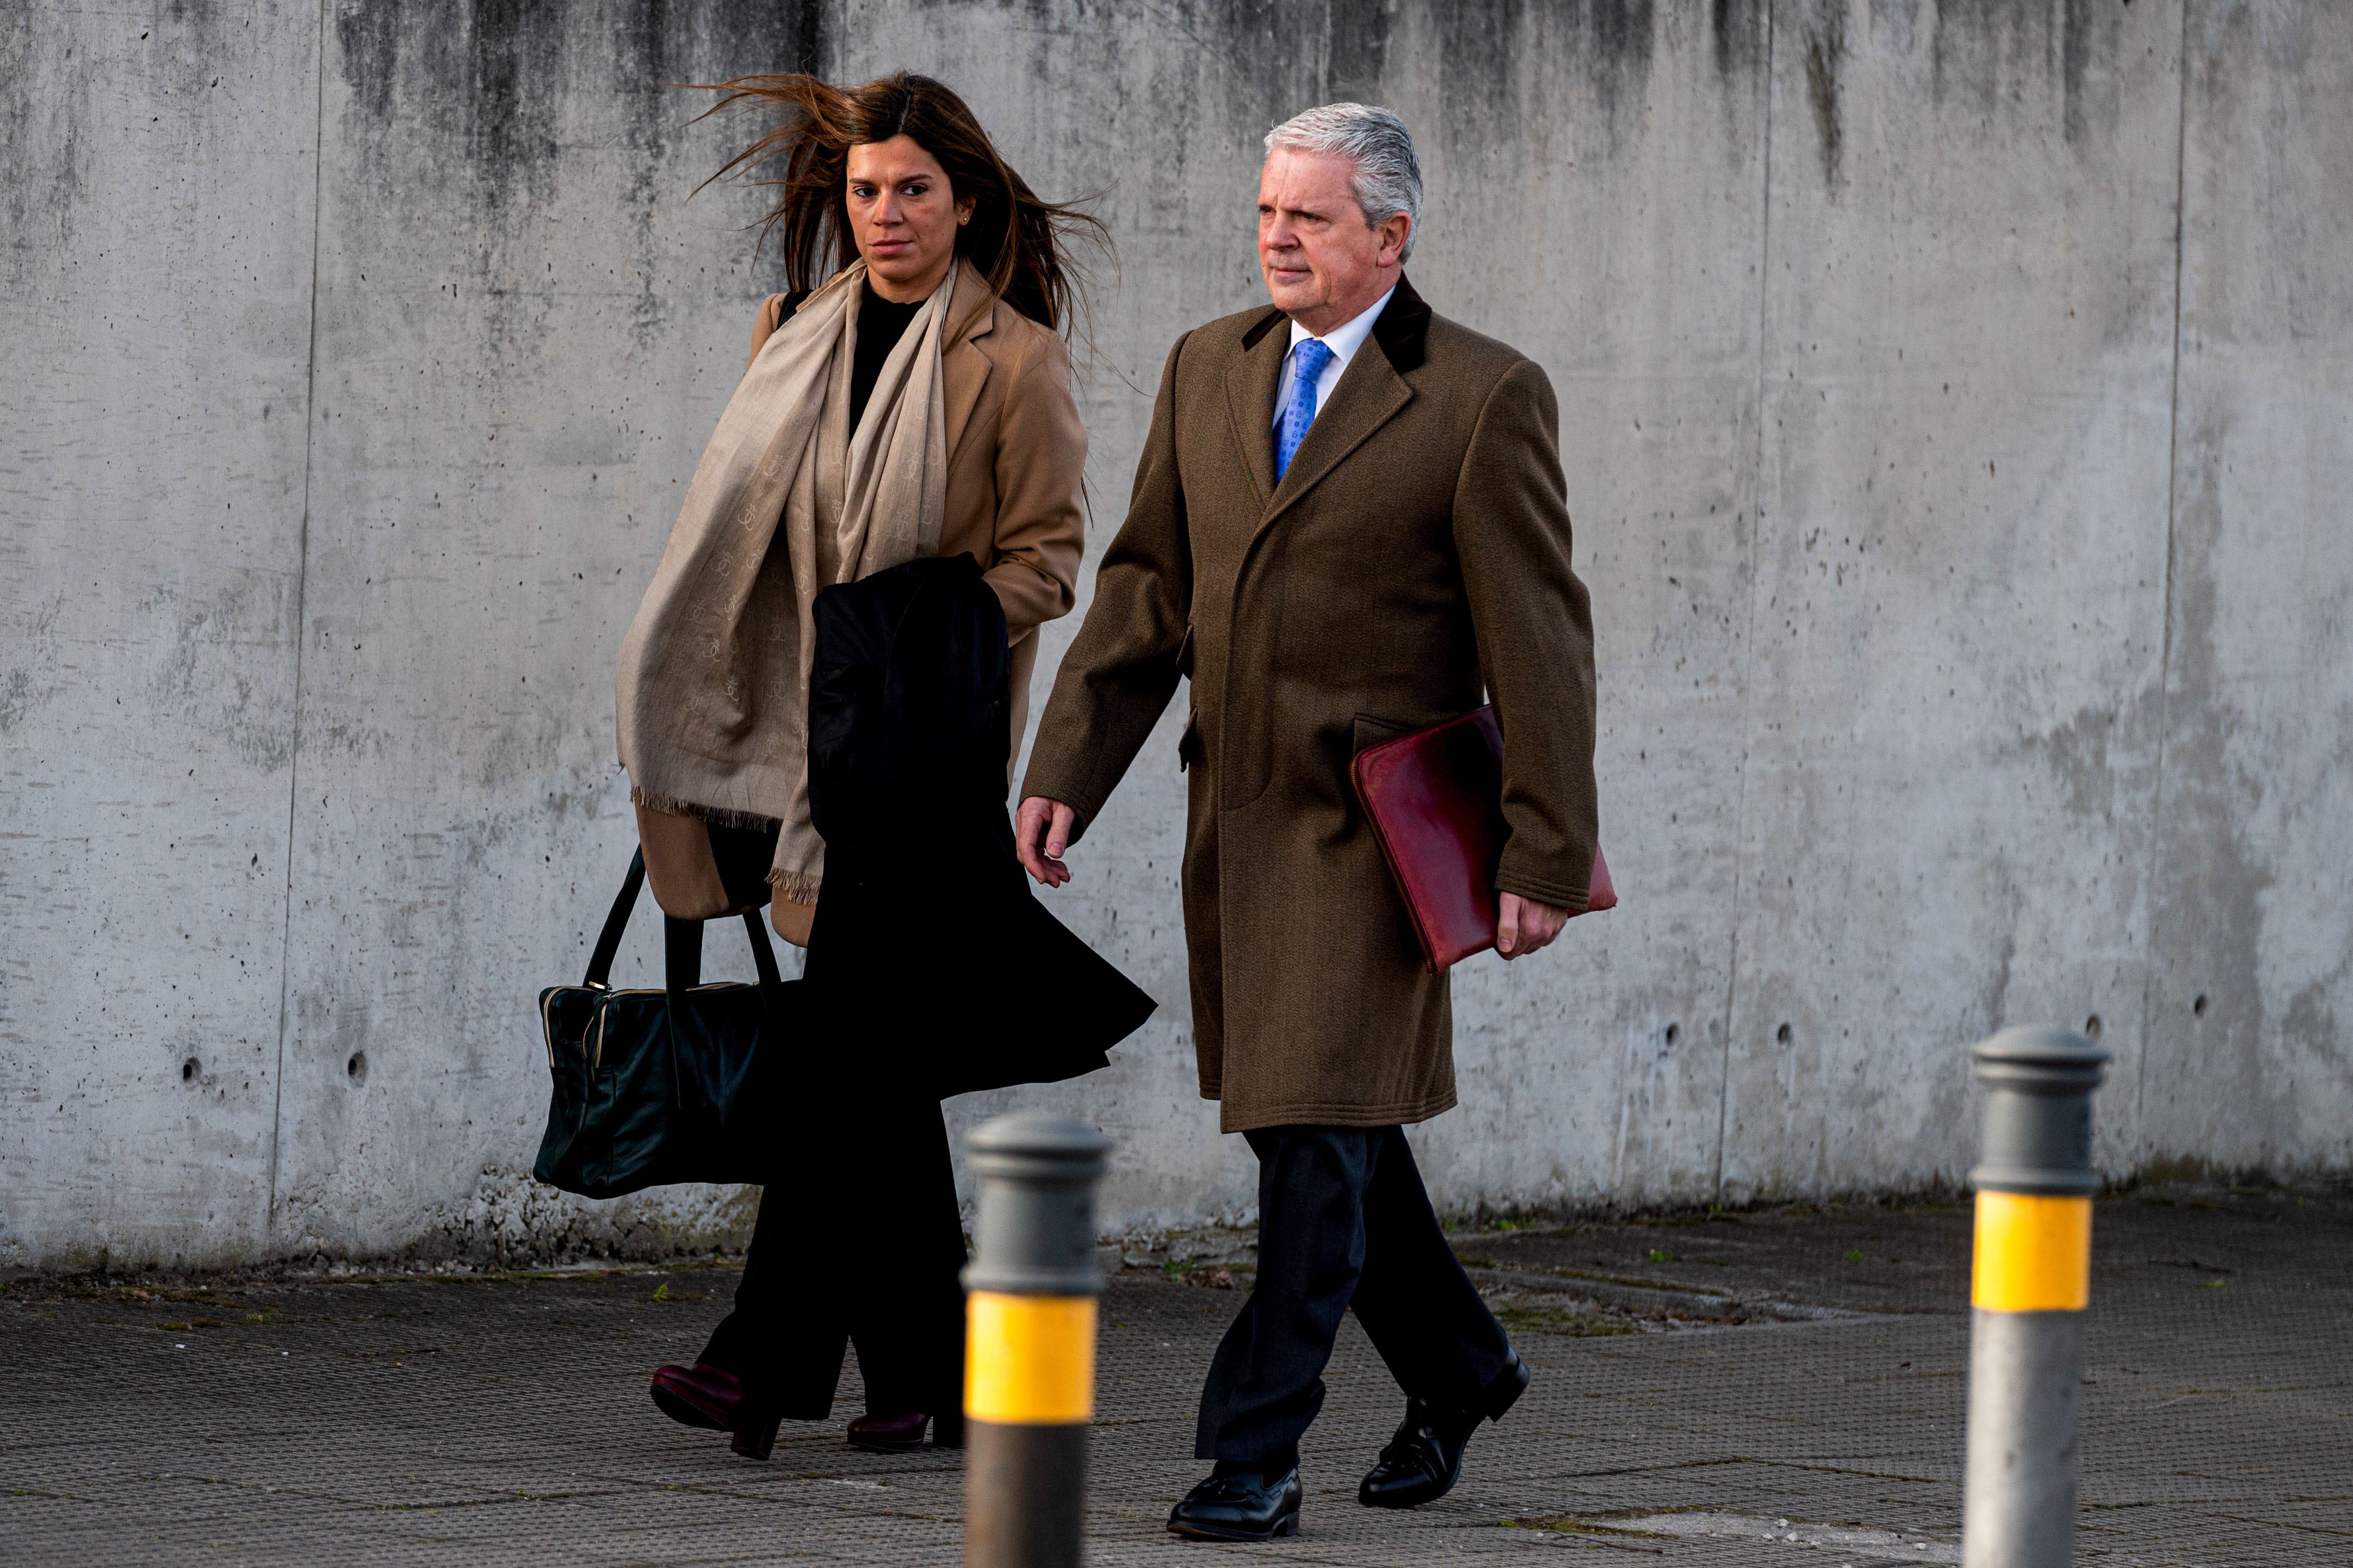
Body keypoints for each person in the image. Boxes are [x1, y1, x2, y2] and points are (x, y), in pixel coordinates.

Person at [1014, 103, 1600, 1541]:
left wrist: (1543, 849)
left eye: (1312, 217)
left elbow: (1540, 643)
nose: (1278, 236)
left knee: (1318, 1141)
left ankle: (1253, 1449)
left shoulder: (1478, 396)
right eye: (1269, 211)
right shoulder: (1207, 367)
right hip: (1239, 824)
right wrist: (1068, 761)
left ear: (1389, 236)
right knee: (1315, 1131)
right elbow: (1148, 585)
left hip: (1371, 834)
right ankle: (1461, 1367)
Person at [614, 71, 1109, 1462]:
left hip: (918, 754)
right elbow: (750, 531)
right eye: (866, 192)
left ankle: (754, 1358)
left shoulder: (1014, 359)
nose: (886, 216)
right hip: (796, 750)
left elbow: (1047, 562)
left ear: (965, 202)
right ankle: (934, 1375)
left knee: (841, 1057)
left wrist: (897, 631)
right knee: (874, 1072)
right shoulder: (790, 334)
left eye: (913, 192)